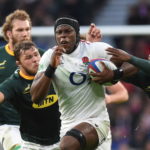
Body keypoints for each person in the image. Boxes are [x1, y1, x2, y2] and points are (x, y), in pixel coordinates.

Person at [30, 17, 124, 150]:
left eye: (68, 31)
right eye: (59, 32)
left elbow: (127, 61)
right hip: (68, 126)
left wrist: (115, 73)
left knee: (68, 145)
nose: (63, 36)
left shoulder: (94, 50)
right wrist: (51, 68)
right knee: (68, 144)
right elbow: (36, 98)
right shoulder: (49, 57)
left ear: (77, 34)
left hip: (96, 121)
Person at [0, 40, 61, 150]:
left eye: (36, 54)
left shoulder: (55, 70)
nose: (35, 60)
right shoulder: (14, 83)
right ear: (18, 63)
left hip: (61, 139)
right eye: (28, 58)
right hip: (32, 144)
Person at [0, 9, 34, 150]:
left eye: (27, 29)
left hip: (37, 126)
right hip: (7, 126)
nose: (25, 34)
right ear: (9, 33)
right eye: (20, 30)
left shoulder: (41, 58)